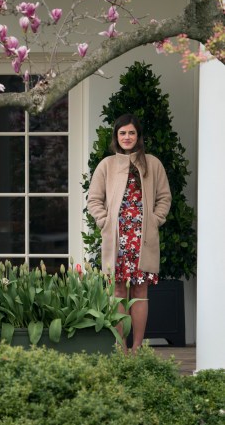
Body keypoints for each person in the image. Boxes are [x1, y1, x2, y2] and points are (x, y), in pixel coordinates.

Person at [87, 113, 171, 354]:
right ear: (116, 136)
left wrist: (155, 220)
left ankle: (137, 347)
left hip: (143, 238)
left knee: (140, 291)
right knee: (119, 291)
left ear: (138, 136)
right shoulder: (106, 165)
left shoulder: (153, 164)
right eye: (122, 133)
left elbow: (164, 197)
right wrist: (104, 221)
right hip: (117, 238)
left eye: (131, 132)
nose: (127, 137)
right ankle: (120, 345)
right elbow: (94, 199)